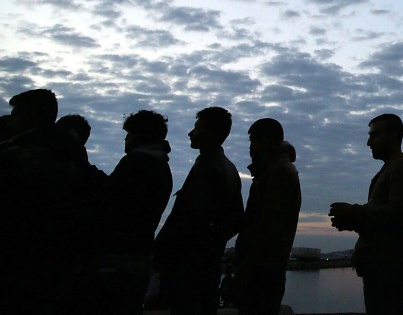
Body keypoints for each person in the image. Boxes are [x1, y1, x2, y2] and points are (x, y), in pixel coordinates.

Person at [0, 89, 91, 314]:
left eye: (16, 117)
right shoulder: (78, 165)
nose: (11, 124)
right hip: (57, 276)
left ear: (30, 119)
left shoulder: (14, 158)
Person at [154, 106, 245, 315]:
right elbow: (237, 219)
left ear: (211, 133)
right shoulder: (225, 167)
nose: (191, 133)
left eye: (197, 128)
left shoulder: (209, 167)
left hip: (190, 268)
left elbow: (189, 218)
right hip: (205, 267)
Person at [330, 113, 403, 315]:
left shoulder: (401, 167)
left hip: (387, 263)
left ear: (393, 136)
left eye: (374, 136)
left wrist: (354, 213)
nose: (368, 142)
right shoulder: (393, 167)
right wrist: (352, 220)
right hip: (382, 261)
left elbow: (400, 214)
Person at [95, 110, 174, 315]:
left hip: (118, 257)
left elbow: (111, 200)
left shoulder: (136, 162)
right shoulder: (161, 165)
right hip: (139, 256)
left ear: (139, 135)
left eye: (129, 133)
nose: (125, 139)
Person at [234, 118, 301, 315]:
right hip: (266, 267)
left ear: (269, 142)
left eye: (253, 141)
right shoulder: (276, 169)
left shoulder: (278, 172)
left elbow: (265, 227)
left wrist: (245, 267)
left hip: (262, 269)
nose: (250, 147)